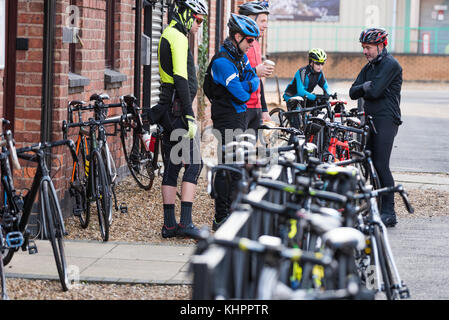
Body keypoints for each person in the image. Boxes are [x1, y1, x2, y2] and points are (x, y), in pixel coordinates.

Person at [150, 0, 208, 238]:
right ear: (185, 14)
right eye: (197, 20)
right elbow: (181, 79)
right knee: (194, 164)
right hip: (176, 112)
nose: (198, 26)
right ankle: (184, 223)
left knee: (173, 166)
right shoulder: (179, 37)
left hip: (167, 109)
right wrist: (189, 115)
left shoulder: (166, 33)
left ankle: (169, 225)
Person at [203, 14, 260, 231]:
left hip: (239, 116)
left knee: (238, 167)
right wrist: (248, 83)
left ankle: (234, 214)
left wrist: (248, 82)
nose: (251, 45)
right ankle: (220, 217)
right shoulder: (222, 62)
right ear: (237, 36)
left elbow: (251, 79)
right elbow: (243, 93)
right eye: (249, 40)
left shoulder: (239, 56)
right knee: (227, 167)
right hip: (226, 118)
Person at [349, 27, 403, 228]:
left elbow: (376, 91)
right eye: (363, 47)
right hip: (369, 119)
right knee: (368, 163)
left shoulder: (390, 65)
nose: (365, 52)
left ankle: (389, 212)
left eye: (369, 47)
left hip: (386, 119)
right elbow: (353, 91)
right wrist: (364, 86)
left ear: (381, 46)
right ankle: (376, 208)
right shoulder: (370, 67)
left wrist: (366, 88)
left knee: (381, 164)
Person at [238, 1, 274, 133]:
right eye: (262, 21)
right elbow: (232, 75)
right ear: (251, 20)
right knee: (237, 151)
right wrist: (255, 71)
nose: (266, 25)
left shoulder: (256, 44)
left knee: (250, 151)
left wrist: (264, 109)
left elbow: (258, 81)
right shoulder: (239, 44)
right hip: (241, 107)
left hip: (256, 108)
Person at [282, 48, 332, 128]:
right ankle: (294, 133)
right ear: (311, 62)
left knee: (320, 104)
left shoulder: (319, 74)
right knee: (297, 124)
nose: (320, 66)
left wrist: (327, 95)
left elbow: (325, 86)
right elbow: (300, 91)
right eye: (317, 63)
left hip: (305, 97)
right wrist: (315, 97)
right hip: (293, 96)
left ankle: (311, 124)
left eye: (322, 64)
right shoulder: (303, 72)